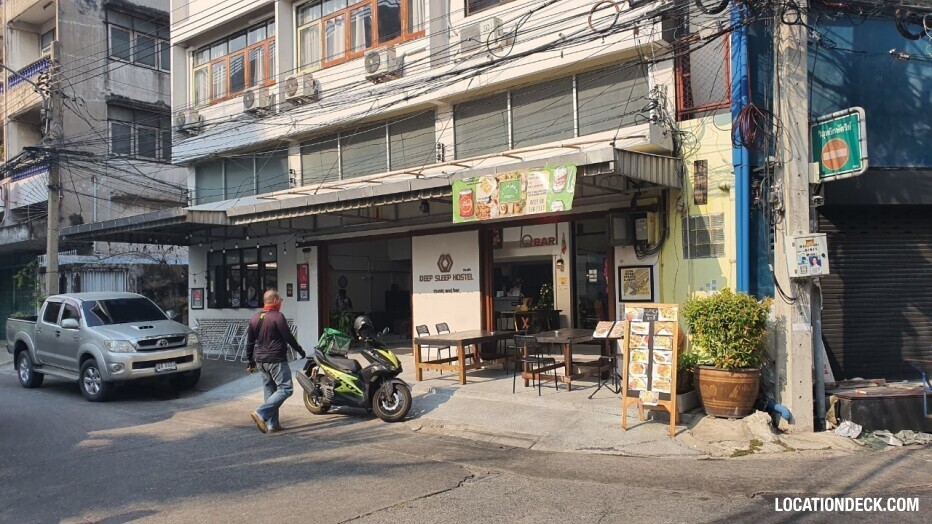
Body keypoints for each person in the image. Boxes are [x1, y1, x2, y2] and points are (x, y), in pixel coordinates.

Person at [245, 289, 306, 434]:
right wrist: (300, 350)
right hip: (276, 359)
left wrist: (250, 361)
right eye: (280, 300)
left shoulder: (254, 318)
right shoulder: (278, 317)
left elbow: (249, 342)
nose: (281, 303)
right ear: (274, 301)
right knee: (286, 388)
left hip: (260, 361)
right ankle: (261, 413)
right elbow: (288, 336)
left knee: (270, 389)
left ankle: (273, 425)